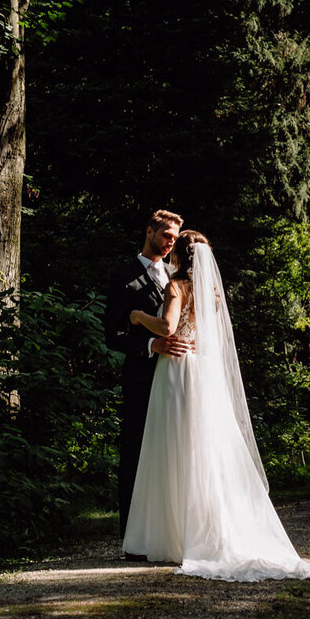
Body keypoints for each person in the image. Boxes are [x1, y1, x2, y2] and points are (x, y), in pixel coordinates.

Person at [123, 230, 310, 581]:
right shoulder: (212, 293)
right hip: (205, 373)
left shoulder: (175, 286)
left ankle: (175, 535)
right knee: (206, 448)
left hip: (179, 371)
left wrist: (137, 316)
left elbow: (168, 326)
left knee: (176, 445)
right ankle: (207, 530)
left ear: (178, 254)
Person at [103, 209, 192, 551]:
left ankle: (170, 533)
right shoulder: (124, 277)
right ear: (150, 231)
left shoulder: (178, 275)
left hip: (177, 381)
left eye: (175, 238)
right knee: (136, 455)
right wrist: (153, 344)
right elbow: (113, 334)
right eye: (166, 235)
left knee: (173, 454)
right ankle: (133, 539)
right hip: (142, 378)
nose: (170, 243)